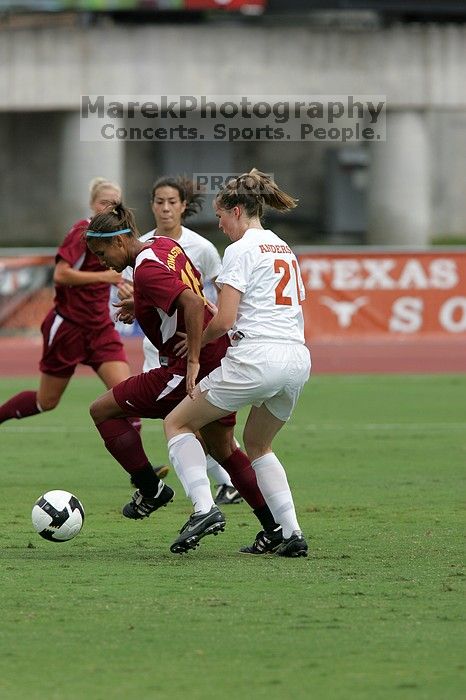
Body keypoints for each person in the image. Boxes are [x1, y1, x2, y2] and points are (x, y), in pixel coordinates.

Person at [85, 202, 281, 551]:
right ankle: (275, 528)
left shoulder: (144, 271)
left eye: (102, 254)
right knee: (223, 447)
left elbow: (191, 302)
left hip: (189, 365)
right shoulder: (164, 244)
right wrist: (141, 304)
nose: (103, 262)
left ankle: (152, 490)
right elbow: (186, 291)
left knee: (103, 410)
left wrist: (190, 360)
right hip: (218, 356)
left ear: (119, 241)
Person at [163, 169, 310, 558]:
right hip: (296, 357)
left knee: (178, 422)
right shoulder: (283, 247)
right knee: (259, 444)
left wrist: (196, 344)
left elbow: (225, 320)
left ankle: (204, 509)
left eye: (221, 216)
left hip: (257, 357)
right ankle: (291, 533)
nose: (219, 224)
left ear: (239, 210)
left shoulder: (241, 250)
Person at [119, 175, 242, 506]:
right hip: (155, 348)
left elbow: (215, 291)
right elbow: (136, 290)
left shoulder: (200, 246)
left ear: (184, 206)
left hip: (191, 349)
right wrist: (133, 302)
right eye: (159, 201)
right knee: (188, 423)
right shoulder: (140, 245)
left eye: (172, 201)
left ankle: (214, 491)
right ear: (152, 205)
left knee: (184, 422)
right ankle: (227, 485)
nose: (165, 208)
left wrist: (213, 328)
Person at [0, 178, 140, 436]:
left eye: (114, 203)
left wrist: (125, 285)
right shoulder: (82, 231)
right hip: (69, 327)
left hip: (100, 328)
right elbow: (60, 275)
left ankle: (142, 473)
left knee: (128, 399)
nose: (109, 208)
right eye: (103, 202)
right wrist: (105, 277)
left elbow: (122, 271)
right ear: (91, 205)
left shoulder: (118, 238)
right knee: (47, 402)